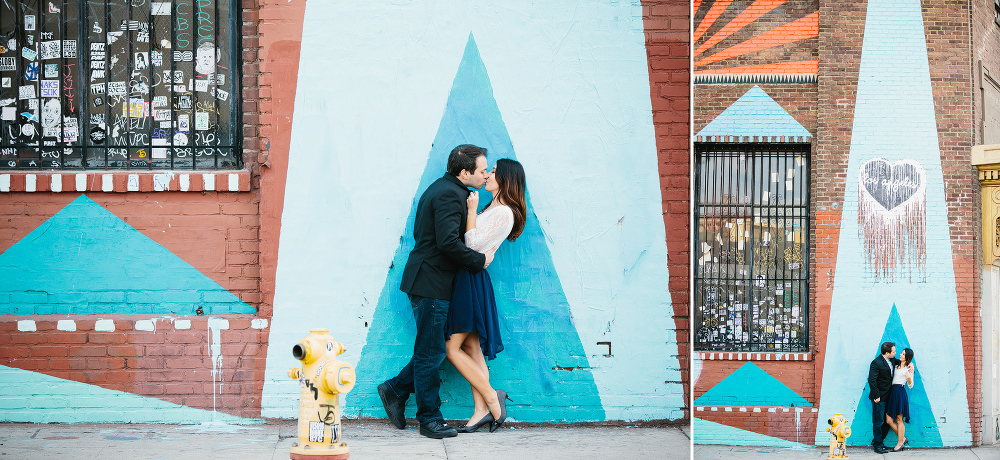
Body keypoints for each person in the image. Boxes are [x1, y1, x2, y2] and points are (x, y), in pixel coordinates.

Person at [377, 144, 494, 439]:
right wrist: (479, 261)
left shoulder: (447, 190)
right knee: (431, 353)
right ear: (464, 172)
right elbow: (447, 244)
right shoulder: (448, 194)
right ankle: (429, 419)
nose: (485, 175)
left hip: (432, 281)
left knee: (432, 349)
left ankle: (395, 389)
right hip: (431, 283)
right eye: (482, 171)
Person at [445, 158, 526, 433]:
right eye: (488, 171)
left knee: (451, 348)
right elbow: (477, 245)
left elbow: (471, 243)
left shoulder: (504, 212)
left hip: (471, 279)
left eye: (494, 172)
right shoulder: (494, 208)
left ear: (506, 179)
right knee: (471, 347)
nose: (488, 174)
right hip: (469, 277)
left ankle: (493, 398)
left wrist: (470, 210)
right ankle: (481, 410)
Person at [868, 341, 899, 454]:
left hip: (889, 397)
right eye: (894, 351)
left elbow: (901, 363)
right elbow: (871, 380)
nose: (895, 352)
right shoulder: (876, 363)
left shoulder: (891, 360)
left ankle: (877, 441)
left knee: (887, 421)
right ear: (887, 352)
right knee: (878, 421)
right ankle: (878, 445)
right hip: (879, 398)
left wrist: (911, 365)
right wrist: (876, 396)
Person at [885, 348, 915, 452]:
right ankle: (902, 439)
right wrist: (912, 364)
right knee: (889, 420)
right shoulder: (896, 364)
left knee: (899, 419)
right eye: (901, 353)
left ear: (907, 357)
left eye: (903, 354)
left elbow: (911, 386)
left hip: (900, 393)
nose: (901, 355)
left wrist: (909, 377)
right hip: (892, 393)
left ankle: (899, 443)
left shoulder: (908, 369)